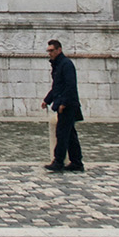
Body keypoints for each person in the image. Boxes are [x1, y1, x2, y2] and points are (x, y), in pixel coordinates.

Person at [41, 39, 84, 172]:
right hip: (64, 103)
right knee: (70, 135)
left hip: (68, 105)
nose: (50, 53)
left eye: (52, 50)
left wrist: (64, 103)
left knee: (62, 134)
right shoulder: (58, 65)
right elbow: (57, 87)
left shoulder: (66, 64)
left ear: (59, 50)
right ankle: (76, 162)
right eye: (48, 51)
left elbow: (70, 85)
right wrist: (47, 100)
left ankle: (58, 161)